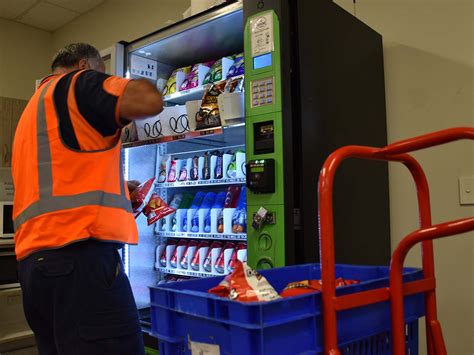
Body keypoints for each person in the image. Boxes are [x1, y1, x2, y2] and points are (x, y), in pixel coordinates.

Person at [12, 43, 163, 355]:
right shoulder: (79, 82)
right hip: (80, 263)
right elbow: (149, 100)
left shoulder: (34, 108)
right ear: (84, 66)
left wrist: (120, 188)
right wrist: (143, 78)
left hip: (35, 269)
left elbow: (62, 174)